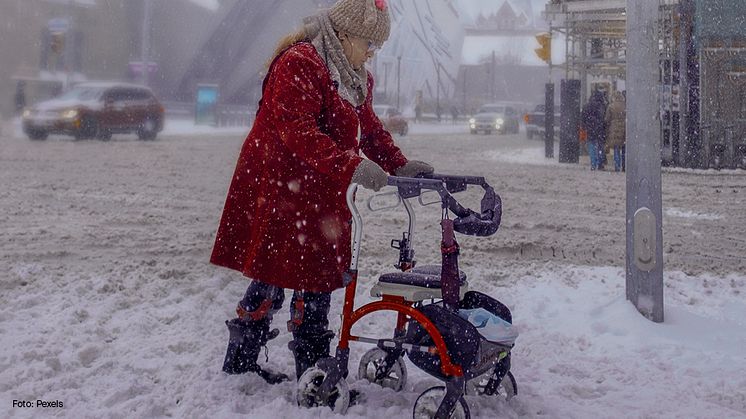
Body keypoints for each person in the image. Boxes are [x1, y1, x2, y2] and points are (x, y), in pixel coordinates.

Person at [210, 0, 433, 385]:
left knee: (306, 274)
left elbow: (369, 127)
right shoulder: (300, 63)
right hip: (282, 186)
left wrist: (397, 163)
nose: (372, 53)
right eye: (369, 44)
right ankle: (268, 368)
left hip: (318, 188)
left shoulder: (352, 73)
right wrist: (352, 166)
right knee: (280, 273)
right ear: (343, 35)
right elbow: (297, 130)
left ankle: (291, 367)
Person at [581, 90, 607, 171]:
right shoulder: (602, 106)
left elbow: (582, 118)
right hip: (600, 129)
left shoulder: (587, 106)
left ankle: (593, 163)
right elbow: (605, 118)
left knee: (591, 146)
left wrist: (585, 126)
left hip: (590, 128)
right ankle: (600, 164)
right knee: (600, 146)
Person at [605, 91, 626, 172]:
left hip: (614, 128)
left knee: (616, 148)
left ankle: (617, 166)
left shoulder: (611, 106)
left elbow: (607, 119)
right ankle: (624, 166)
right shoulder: (625, 105)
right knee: (624, 148)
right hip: (624, 128)